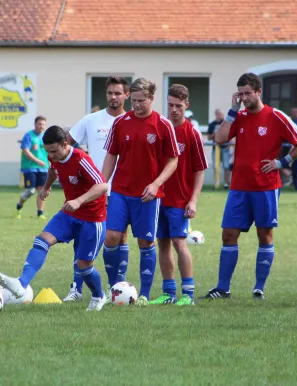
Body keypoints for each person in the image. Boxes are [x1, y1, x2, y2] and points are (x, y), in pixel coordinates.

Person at [200, 73, 297, 300]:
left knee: (264, 235)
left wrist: (282, 162)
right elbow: (220, 138)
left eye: (247, 93)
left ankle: (259, 288)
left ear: (258, 92)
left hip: (266, 187)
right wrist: (232, 110)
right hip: (239, 187)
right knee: (228, 235)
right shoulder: (238, 116)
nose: (244, 98)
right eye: (240, 94)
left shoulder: (275, 116)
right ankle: (223, 288)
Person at [0, 125, 109, 311]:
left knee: (84, 267)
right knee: (42, 240)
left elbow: (102, 186)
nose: (51, 155)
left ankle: (98, 296)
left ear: (65, 144)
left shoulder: (81, 159)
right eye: (48, 151)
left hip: (92, 219)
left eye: (55, 151)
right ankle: (21, 283)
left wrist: (79, 201)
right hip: (69, 213)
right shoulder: (53, 156)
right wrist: (47, 186)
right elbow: (53, 169)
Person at [102, 77, 179, 306]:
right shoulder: (120, 123)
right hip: (120, 191)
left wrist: (156, 184)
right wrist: (103, 185)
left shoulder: (163, 125)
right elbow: (111, 156)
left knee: (145, 242)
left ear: (151, 99)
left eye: (140, 101)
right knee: (112, 237)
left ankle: (144, 294)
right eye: (133, 100)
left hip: (147, 195)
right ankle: (114, 287)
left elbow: (173, 160)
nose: (135, 105)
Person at [64, 76, 131, 302]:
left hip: (122, 190)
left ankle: (118, 287)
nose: (113, 97)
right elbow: (66, 145)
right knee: (84, 238)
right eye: (110, 93)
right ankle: (76, 288)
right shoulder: (91, 120)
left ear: (126, 95)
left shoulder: (131, 121)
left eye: (117, 93)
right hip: (94, 190)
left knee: (120, 237)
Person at [149, 84, 207, 306]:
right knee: (161, 243)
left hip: (180, 200)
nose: (174, 110)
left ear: (187, 106)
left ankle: (188, 295)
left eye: (178, 106)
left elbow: (200, 169)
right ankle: (168, 293)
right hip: (158, 198)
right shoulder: (160, 128)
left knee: (179, 243)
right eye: (170, 105)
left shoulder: (192, 133)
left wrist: (193, 200)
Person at [16, 116, 49, 220]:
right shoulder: (29, 136)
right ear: (35, 125)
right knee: (30, 190)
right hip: (30, 167)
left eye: (43, 124)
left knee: (42, 191)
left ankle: (40, 213)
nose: (41, 126)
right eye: (39, 124)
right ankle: (19, 206)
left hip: (43, 168)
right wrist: (38, 161)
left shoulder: (46, 137)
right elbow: (26, 151)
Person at [208, 109, 232, 189]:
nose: (222, 116)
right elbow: (208, 137)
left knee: (226, 166)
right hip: (216, 148)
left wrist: (230, 144)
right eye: (220, 114)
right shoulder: (212, 124)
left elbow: (230, 134)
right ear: (216, 115)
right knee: (215, 166)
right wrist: (214, 135)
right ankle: (217, 183)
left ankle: (226, 183)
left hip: (225, 148)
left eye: (222, 114)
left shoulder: (225, 123)